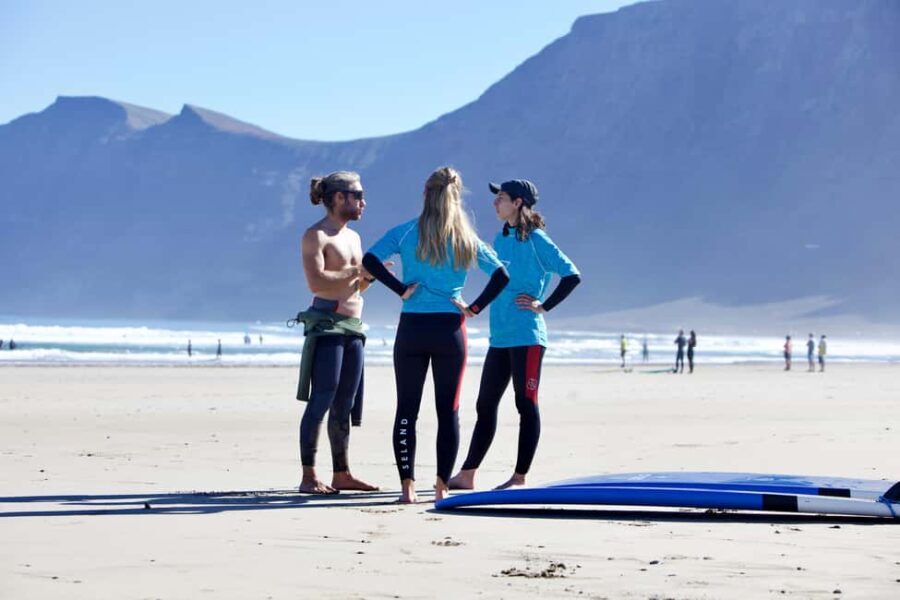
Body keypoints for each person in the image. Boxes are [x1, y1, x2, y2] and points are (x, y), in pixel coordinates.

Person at [362, 166, 509, 503]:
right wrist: (473, 308)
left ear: (425, 194)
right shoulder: (466, 239)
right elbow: (501, 275)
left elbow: (370, 260)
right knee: (449, 411)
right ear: (456, 198)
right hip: (450, 331)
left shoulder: (405, 233)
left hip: (412, 329)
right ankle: (442, 486)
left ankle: (407, 488)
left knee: (406, 410)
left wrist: (400, 289)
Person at [448, 178, 580, 492]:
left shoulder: (538, 240)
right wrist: (475, 307)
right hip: (500, 337)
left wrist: (543, 305)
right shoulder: (501, 238)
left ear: (518, 202)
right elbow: (498, 282)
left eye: (502, 198)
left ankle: (519, 478)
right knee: (485, 405)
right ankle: (467, 474)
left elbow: (572, 275)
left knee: (525, 404)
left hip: (528, 336)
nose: (495, 203)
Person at [295, 170, 378, 494]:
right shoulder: (316, 236)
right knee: (322, 399)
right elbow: (316, 282)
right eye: (358, 195)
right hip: (327, 325)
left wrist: (368, 278)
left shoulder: (354, 238)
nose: (363, 202)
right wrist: (358, 271)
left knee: (346, 402)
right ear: (340, 197)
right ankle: (308, 475)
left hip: (353, 327)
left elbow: (356, 287)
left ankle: (341, 472)